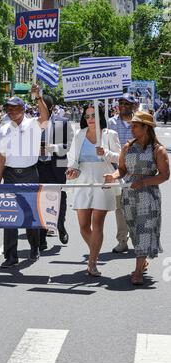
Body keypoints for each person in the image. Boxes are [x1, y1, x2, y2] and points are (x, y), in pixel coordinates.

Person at [104, 111, 170, 285]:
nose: (131, 129)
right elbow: (122, 169)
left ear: (146, 128)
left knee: (143, 231)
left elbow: (164, 175)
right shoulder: (127, 147)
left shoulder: (158, 150)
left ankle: (138, 272)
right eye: (131, 125)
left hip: (148, 197)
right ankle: (142, 261)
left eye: (135, 126)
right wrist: (114, 175)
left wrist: (145, 182)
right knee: (134, 231)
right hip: (129, 195)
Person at [0, 86, 49, 268]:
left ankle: (34, 246)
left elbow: (45, 117)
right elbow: (1, 156)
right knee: (10, 216)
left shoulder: (33, 124)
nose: (10, 111)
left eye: (14, 108)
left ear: (23, 109)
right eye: (8, 108)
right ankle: (10, 255)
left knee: (30, 213)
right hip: (10, 174)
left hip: (29, 173)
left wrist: (39, 97)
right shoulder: (3, 128)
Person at [66, 104, 121, 276]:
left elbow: (120, 157)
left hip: (103, 180)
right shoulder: (79, 135)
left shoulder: (110, 134)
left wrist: (106, 153)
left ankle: (92, 262)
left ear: (100, 118)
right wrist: (72, 170)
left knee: (97, 224)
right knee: (83, 226)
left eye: (93, 116)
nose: (90, 119)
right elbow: (72, 160)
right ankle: (94, 252)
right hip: (82, 181)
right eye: (87, 116)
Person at [37, 95, 73, 250]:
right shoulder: (32, 123)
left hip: (57, 166)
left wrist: (52, 147)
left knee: (58, 197)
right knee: (41, 199)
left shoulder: (63, 123)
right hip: (39, 166)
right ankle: (42, 235)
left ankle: (60, 224)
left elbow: (68, 145)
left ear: (50, 109)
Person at [108, 93, 136, 253]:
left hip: (137, 173)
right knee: (120, 208)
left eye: (127, 103)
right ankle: (122, 240)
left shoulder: (140, 122)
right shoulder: (111, 123)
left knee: (137, 208)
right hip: (117, 171)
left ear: (133, 106)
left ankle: (137, 240)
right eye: (121, 102)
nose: (123, 105)